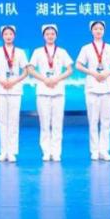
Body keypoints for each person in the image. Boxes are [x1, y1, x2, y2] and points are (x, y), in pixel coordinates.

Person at [75, 20, 110, 161]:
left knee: (106, 121)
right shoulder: (86, 48)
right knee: (93, 120)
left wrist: (107, 73)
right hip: (92, 87)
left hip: (107, 87)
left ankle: (104, 150)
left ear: (104, 31)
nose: (98, 31)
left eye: (101, 29)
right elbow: (78, 65)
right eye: (95, 29)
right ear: (91, 31)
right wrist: (93, 73)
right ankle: (94, 151)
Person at [27, 24, 73, 162]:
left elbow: (70, 69)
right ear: (43, 36)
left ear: (56, 35)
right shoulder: (38, 51)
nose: (50, 36)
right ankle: (46, 152)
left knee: (57, 123)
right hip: (43, 91)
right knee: (44, 123)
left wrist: (57, 79)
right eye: (47, 34)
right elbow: (30, 69)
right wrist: (45, 79)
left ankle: (56, 152)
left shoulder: (62, 52)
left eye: (52, 34)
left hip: (58, 91)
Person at [0, 25, 29, 162]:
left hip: (15, 89)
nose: (8, 36)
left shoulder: (20, 52)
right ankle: (3, 151)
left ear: (14, 36)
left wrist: (14, 81)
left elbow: (25, 71)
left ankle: (11, 152)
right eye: (6, 34)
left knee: (13, 121)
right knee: (2, 121)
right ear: (2, 36)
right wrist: (1, 81)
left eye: (11, 34)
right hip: (0, 89)